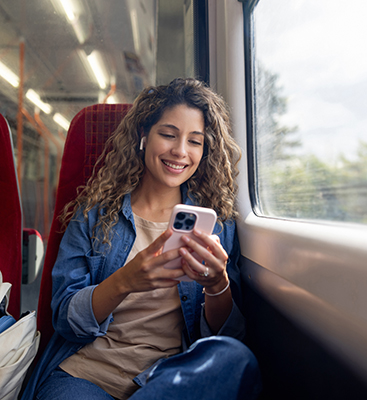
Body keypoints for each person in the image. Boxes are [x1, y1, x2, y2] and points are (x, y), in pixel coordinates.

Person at [22, 78, 262, 400]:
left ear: (205, 151)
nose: (180, 151)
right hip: (87, 375)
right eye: (168, 135)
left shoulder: (216, 226)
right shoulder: (94, 215)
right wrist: (126, 280)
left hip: (165, 379)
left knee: (234, 357)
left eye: (195, 141)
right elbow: (66, 319)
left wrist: (217, 285)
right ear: (144, 136)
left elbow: (224, 334)